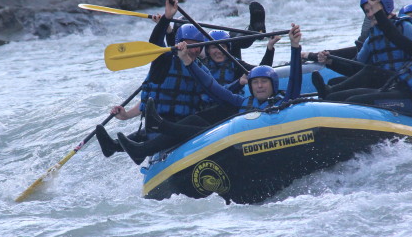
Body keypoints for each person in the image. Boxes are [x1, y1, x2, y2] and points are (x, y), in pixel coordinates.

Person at [116, 25, 303, 164]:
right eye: (256, 82)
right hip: (238, 149)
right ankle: (147, 139)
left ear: (274, 85)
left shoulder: (285, 101)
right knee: (199, 122)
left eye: (264, 82)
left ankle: (158, 129)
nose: (260, 86)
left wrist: (295, 47)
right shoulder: (241, 101)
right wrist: (188, 61)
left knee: (200, 122)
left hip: (272, 144)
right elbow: (211, 87)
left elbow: (294, 78)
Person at [95, 0, 214, 159]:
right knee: (153, 129)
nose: (193, 50)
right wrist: (166, 18)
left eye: (198, 46)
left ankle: (120, 147)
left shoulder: (203, 70)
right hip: (157, 124)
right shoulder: (164, 61)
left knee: (181, 124)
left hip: (183, 126)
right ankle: (116, 146)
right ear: (179, 44)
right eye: (189, 45)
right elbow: (155, 43)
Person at [311, 0, 412, 98]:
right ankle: (330, 93)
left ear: (385, 7)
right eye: (367, 11)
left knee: (371, 71)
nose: (369, 15)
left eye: (372, 9)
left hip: (404, 83)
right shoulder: (372, 37)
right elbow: (355, 68)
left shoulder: (405, 27)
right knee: (335, 81)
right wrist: (330, 62)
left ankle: (329, 92)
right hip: (384, 84)